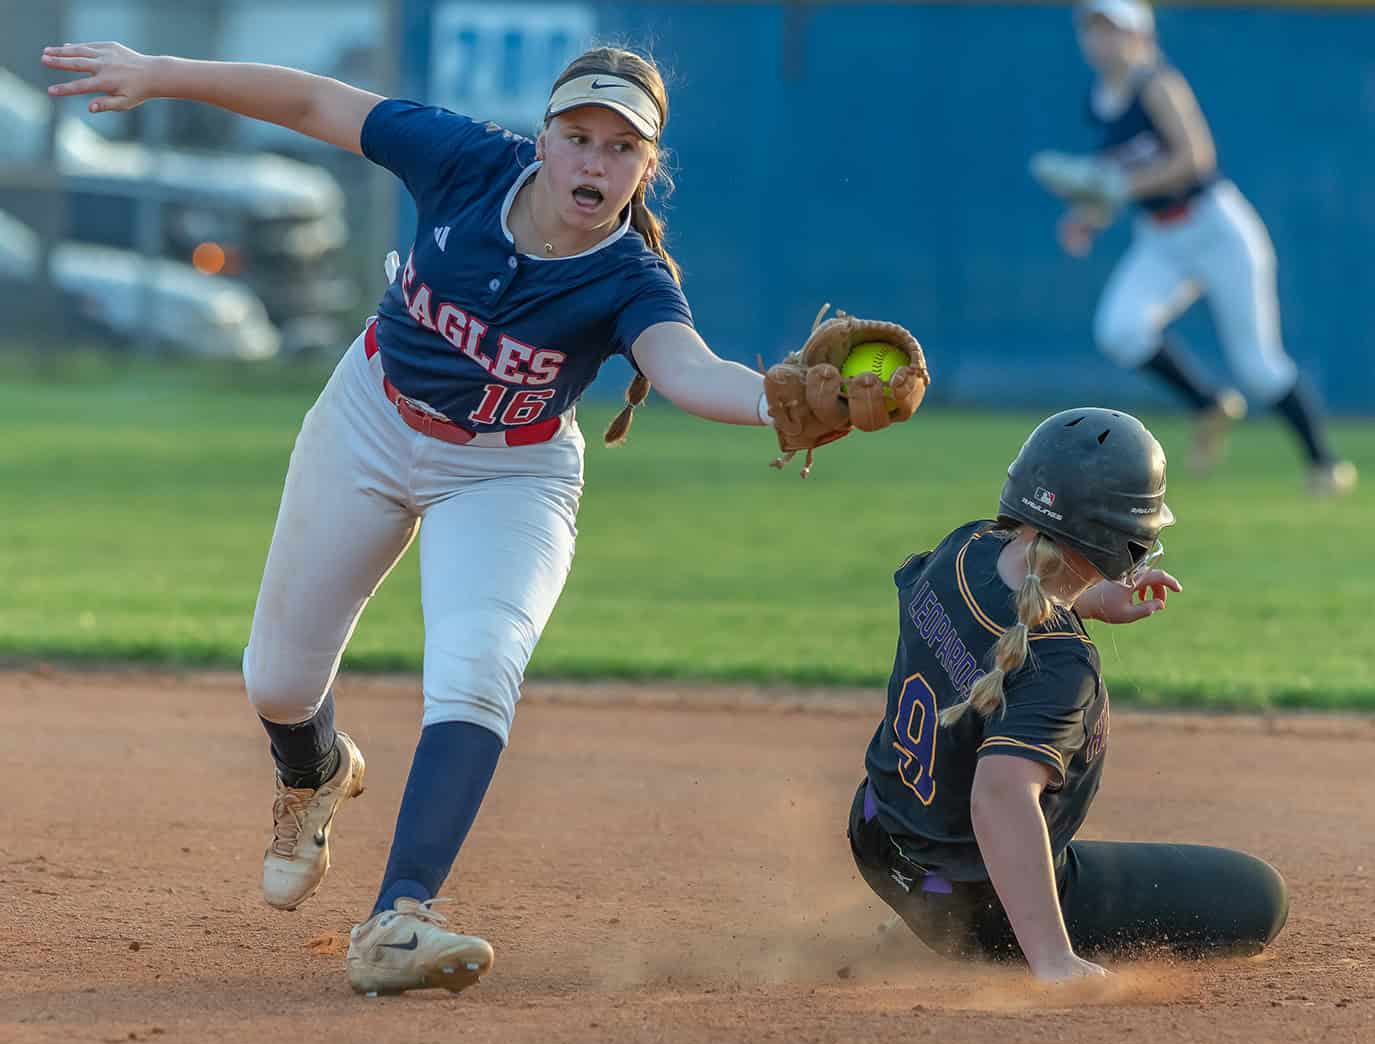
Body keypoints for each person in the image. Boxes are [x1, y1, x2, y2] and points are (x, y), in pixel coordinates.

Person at [43, 40, 922, 995]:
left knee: (477, 666)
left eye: (620, 148)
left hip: (508, 473)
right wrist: (158, 73)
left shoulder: (630, 279)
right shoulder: (463, 158)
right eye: (577, 136)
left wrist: (773, 399)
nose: (594, 162)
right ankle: (315, 769)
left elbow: (685, 370)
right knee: (280, 680)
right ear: (542, 138)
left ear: (646, 167)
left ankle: (399, 916)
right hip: (369, 418)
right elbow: (312, 101)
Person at [848, 407, 1288, 981]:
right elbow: (1001, 798)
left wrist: (1092, 596)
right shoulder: (1059, 662)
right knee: (1257, 896)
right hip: (971, 909)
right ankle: (994, 936)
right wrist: (1056, 963)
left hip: (878, 837)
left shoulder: (966, 548)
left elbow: (1013, 595)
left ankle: (927, 908)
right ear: (1122, 541)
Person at [1030, 0, 1356, 496]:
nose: (1102, 39)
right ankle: (1207, 404)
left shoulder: (1156, 82)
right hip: (1161, 237)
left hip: (1216, 227)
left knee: (1259, 367)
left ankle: (1324, 464)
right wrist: (1089, 217)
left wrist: (1117, 186)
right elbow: (1120, 175)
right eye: (1093, 28)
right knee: (1120, 330)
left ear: (1140, 34)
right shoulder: (1099, 98)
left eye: (1112, 28)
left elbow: (1195, 159)